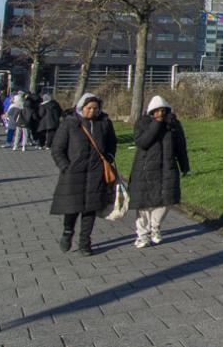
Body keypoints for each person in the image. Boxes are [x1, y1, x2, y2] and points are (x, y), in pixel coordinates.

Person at [49, 93, 117, 256]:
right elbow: (57, 148)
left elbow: (111, 143)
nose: (92, 111)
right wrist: (65, 166)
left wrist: (108, 158)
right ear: (81, 107)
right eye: (89, 108)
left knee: (90, 209)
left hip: (96, 172)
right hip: (74, 173)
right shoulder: (70, 123)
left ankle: (85, 242)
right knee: (72, 207)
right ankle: (67, 232)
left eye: (95, 108)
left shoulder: (104, 123)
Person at [129, 96, 190, 248]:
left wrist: (184, 165)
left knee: (166, 201)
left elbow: (180, 146)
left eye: (163, 111)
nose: (160, 114)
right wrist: (156, 124)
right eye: (156, 111)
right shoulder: (143, 123)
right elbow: (142, 142)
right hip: (144, 168)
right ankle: (142, 235)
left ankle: (154, 227)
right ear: (151, 111)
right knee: (142, 204)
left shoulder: (173, 125)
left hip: (167, 168)